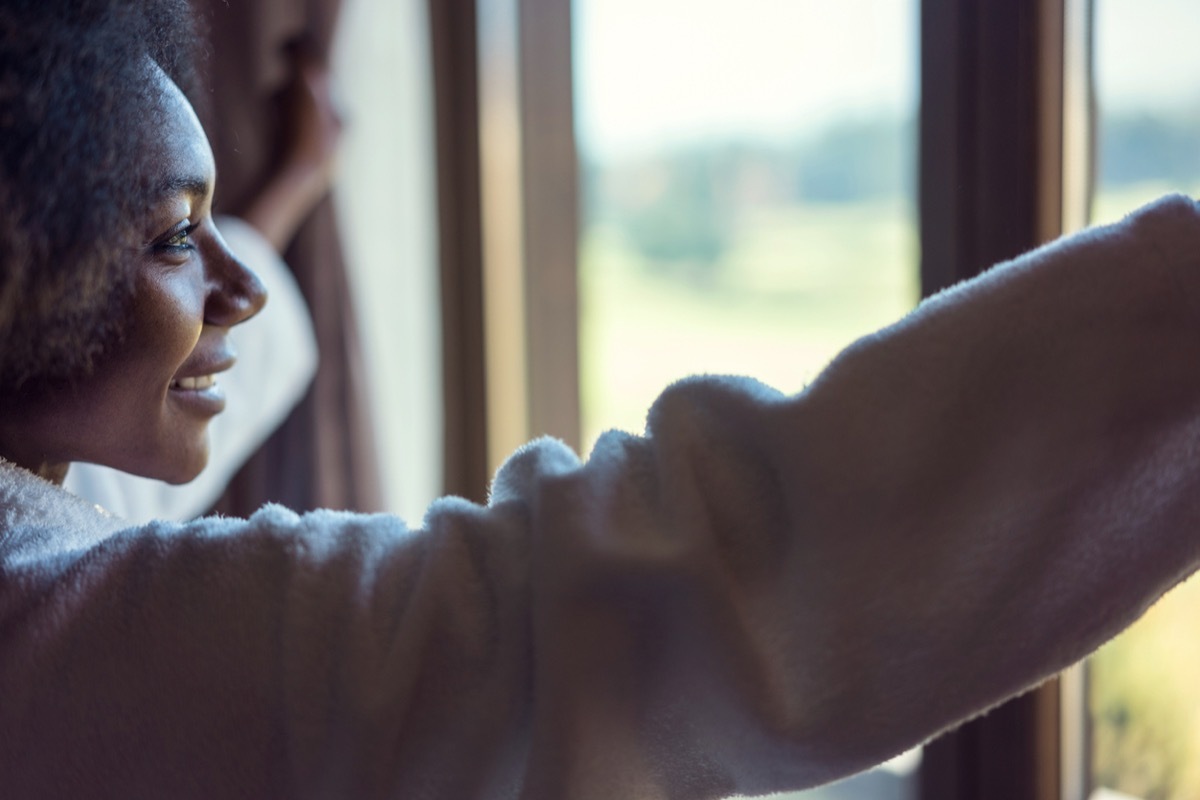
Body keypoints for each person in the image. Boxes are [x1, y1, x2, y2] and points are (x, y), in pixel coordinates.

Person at [3, 1, 1200, 798]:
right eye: (174, 235)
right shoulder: (78, 645)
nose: (239, 291)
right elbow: (675, 587)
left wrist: (288, 187)